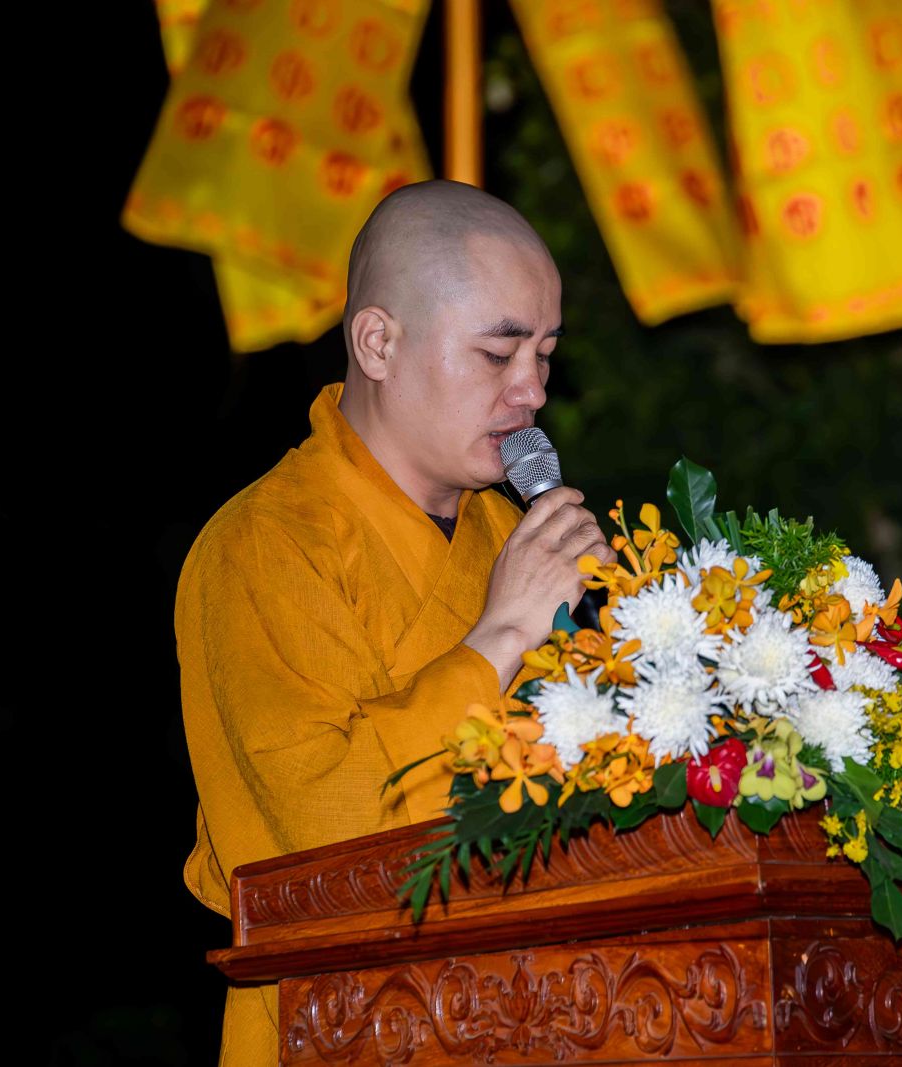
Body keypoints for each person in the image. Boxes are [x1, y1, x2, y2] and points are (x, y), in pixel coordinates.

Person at [174, 180, 615, 1067]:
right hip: (338, 1026)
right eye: (498, 353)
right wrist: (499, 638)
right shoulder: (264, 543)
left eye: (544, 355)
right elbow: (329, 828)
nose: (531, 390)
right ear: (378, 342)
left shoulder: (517, 542)